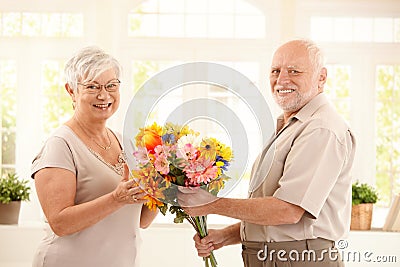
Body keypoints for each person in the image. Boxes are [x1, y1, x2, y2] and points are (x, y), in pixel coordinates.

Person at [178, 39, 356, 267]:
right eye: (276, 71)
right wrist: (226, 235)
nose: (282, 79)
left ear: (321, 78)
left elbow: (288, 211)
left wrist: (210, 204)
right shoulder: (291, 125)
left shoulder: (321, 129)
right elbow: (280, 219)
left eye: (294, 71)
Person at [31, 46, 158, 267]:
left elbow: (141, 220)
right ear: (71, 91)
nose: (104, 95)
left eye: (111, 85)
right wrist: (116, 198)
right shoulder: (60, 145)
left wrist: (164, 185)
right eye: (92, 86)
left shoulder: (126, 143)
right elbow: (60, 223)